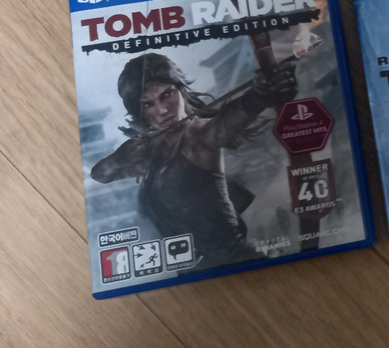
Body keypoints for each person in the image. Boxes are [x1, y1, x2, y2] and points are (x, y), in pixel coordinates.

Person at [92, 53, 296, 269]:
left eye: (167, 94)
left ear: (181, 91)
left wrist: (259, 96)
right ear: (140, 112)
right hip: (194, 270)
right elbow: (100, 175)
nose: (163, 110)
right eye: (148, 104)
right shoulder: (150, 152)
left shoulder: (197, 134)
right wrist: (118, 159)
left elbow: (225, 124)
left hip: (238, 262)